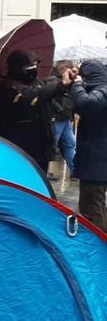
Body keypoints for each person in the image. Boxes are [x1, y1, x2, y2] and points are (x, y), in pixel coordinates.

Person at [0, 50, 76, 172]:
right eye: (30, 66)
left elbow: (48, 83)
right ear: (19, 68)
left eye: (35, 65)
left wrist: (67, 76)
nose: (34, 69)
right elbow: (33, 96)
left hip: (42, 145)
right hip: (21, 148)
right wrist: (61, 85)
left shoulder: (34, 81)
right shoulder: (9, 86)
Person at [71, 60, 107, 231]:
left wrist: (77, 84)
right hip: (97, 159)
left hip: (97, 161)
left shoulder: (103, 91)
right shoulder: (100, 89)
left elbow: (85, 104)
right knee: (97, 203)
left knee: (90, 207)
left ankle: (97, 247)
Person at [51, 60, 78, 175]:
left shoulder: (71, 82)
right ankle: (51, 172)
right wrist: (60, 109)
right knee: (52, 144)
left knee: (70, 143)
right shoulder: (53, 81)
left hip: (66, 118)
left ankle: (75, 171)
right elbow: (51, 98)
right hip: (57, 117)